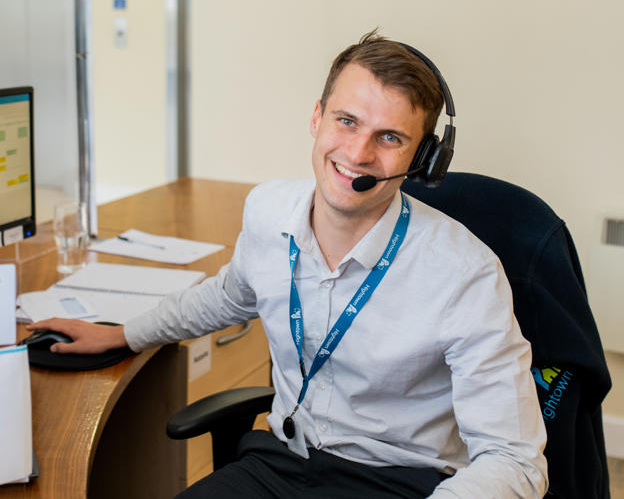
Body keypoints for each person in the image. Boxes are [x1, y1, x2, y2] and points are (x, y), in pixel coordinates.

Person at [28, 31, 548, 498]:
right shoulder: (268, 211)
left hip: (397, 481)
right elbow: (227, 296)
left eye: (390, 138)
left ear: (423, 161)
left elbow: (515, 460)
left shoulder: (464, 274)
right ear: (317, 117)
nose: (359, 152)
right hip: (280, 463)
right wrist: (123, 335)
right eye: (347, 121)